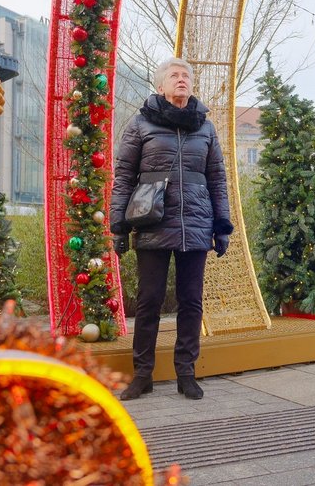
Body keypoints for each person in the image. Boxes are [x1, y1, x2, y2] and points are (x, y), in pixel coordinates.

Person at [110, 57, 233, 401]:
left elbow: (217, 179)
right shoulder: (140, 124)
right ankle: (143, 374)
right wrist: (117, 225)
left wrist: (222, 225)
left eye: (186, 76)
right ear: (160, 86)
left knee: (191, 302)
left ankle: (186, 373)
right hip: (152, 222)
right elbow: (123, 178)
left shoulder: (205, 128)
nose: (182, 80)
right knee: (149, 301)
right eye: (174, 76)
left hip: (195, 223)